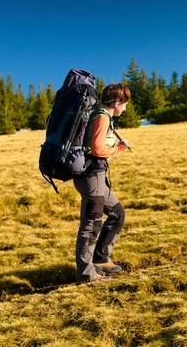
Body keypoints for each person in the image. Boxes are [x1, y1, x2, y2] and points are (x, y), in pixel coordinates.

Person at [73, 83, 131, 283]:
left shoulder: (101, 116)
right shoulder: (101, 117)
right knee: (91, 224)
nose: (124, 108)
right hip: (91, 177)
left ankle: (101, 258)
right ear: (116, 102)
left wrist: (115, 146)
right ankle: (86, 274)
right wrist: (119, 150)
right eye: (124, 104)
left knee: (118, 213)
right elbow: (97, 149)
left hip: (96, 177)